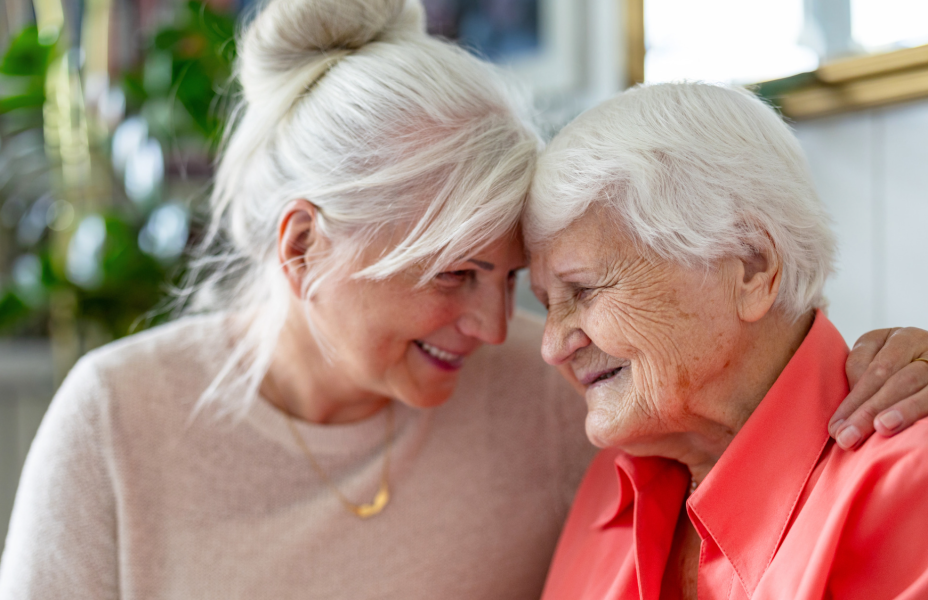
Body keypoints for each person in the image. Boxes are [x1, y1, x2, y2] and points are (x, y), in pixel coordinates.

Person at [0, 2, 926, 597]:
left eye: (512, 280)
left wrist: (893, 357)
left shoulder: (559, 400)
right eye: (453, 273)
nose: (498, 330)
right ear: (303, 246)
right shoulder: (116, 418)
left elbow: (749, 375)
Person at [528, 82, 928, 600]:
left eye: (582, 290)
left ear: (751, 267)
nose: (552, 345)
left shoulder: (906, 485)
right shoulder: (610, 485)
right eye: (545, 303)